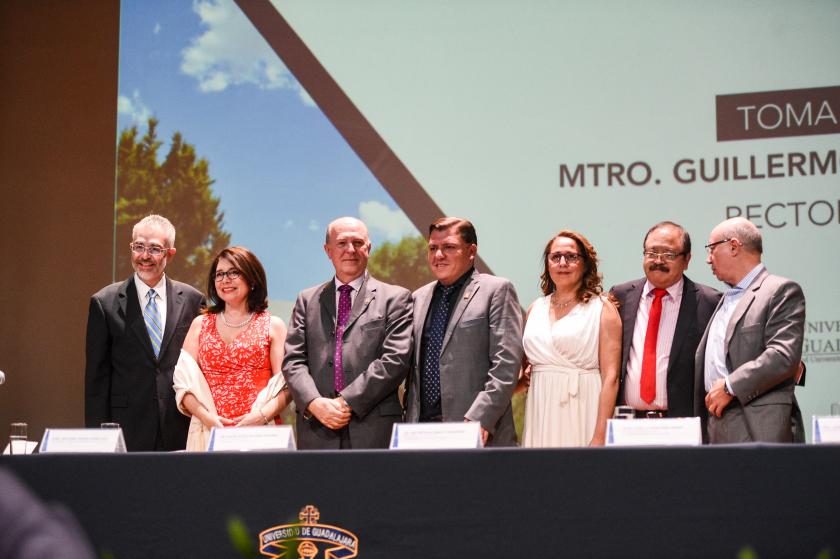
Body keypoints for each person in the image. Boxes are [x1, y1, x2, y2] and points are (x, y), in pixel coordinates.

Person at [282, 217, 413, 449]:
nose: (350, 250)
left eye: (358, 242)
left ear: (369, 248)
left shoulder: (396, 298)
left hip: (373, 430)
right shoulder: (306, 300)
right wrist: (314, 403)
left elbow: (395, 360)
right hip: (317, 429)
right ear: (328, 250)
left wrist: (346, 402)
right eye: (342, 243)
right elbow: (293, 361)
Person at [85, 215, 204, 451]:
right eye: (138, 246)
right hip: (126, 429)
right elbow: (96, 380)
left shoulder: (193, 300)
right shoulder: (104, 302)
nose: (145, 256)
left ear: (170, 253)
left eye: (154, 249)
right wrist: (96, 442)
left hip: (180, 425)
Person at [404, 217, 523, 447]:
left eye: (448, 247)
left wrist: (481, 416)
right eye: (433, 248)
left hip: (476, 429)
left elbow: (506, 363)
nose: (438, 255)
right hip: (420, 432)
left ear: (471, 251)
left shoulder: (497, 290)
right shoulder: (418, 297)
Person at [695, 217, 805, 443]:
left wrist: (729, 386)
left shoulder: (780, 290)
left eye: (712, 249)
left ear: (734, 246)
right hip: (715, 419)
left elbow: (783, 355)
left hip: (754, 421)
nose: (708, 259)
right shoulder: (724, 297)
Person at [176, 247, 291, 450]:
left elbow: (286, 386)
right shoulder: (199, 324)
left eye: (234, 272)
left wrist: (260, 417)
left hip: (261, 431)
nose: (225, 280)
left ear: (252, 279)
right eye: (219, 274)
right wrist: (208, 418)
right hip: (208, 431)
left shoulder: (273, 325)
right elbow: (183, 385)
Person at [518, 230, 621, 447]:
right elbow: (525, 368)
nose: (562, 262)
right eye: (555, 257)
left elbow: (611, 377)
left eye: (571, 256)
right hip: (540, 407)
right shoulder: (535, 308)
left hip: (584, 406)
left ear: (585, 264)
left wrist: (601, 435)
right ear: (547, 264)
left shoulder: (602, 309)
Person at [610, 221, 720, 418]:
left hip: (682, 423)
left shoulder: (709, 302)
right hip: (627, 422)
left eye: (668, 255)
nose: (658, 261)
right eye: (651, 253)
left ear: (687, 260)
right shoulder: (620, 297)